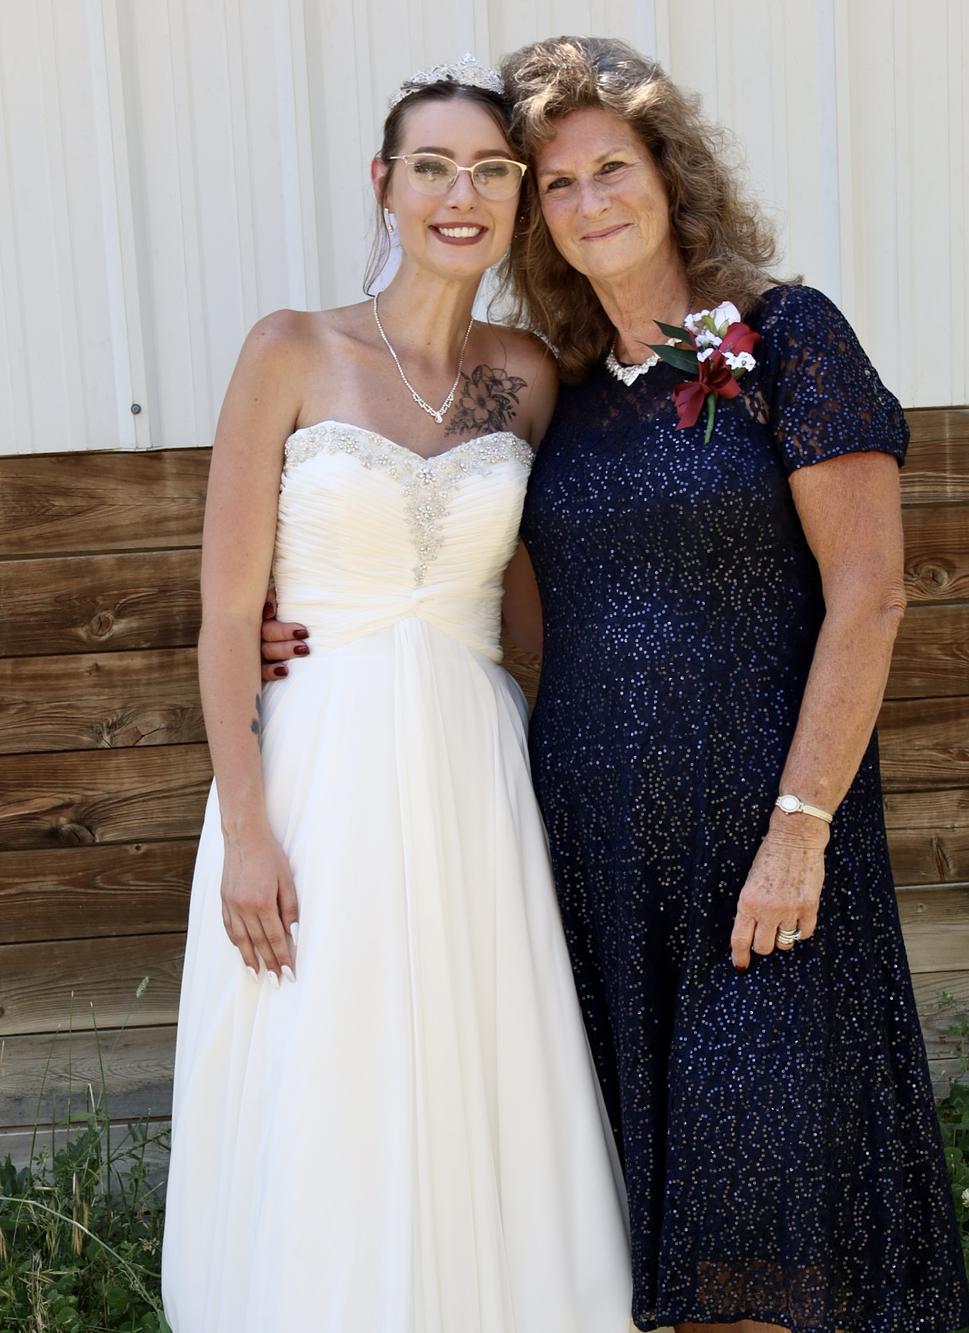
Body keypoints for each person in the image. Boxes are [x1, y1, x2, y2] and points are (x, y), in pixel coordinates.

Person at [262, 37, 969, 1333]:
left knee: (761, 1221)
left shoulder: (786, 340)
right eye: (559, 183)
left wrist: (801, 828)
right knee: (652, 1246)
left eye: (613, 170)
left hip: (764, 851)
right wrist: (312, 621)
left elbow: (871, 595)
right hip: (595, 861)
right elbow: (491, 591)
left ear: (671, 175)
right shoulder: (561, 391)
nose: (590, 203)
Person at [161, 56, 633, 1333]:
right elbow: (226, 613)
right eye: (432, 167)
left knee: (482, 1051)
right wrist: (246, 830)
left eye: (489, 171)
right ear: (385, 183)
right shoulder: (291, 349)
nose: (459, 195)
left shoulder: (526, 376)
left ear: (518, 199)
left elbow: (539, 595)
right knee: (331, 1051)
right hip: (319, 765)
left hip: (474, 764)